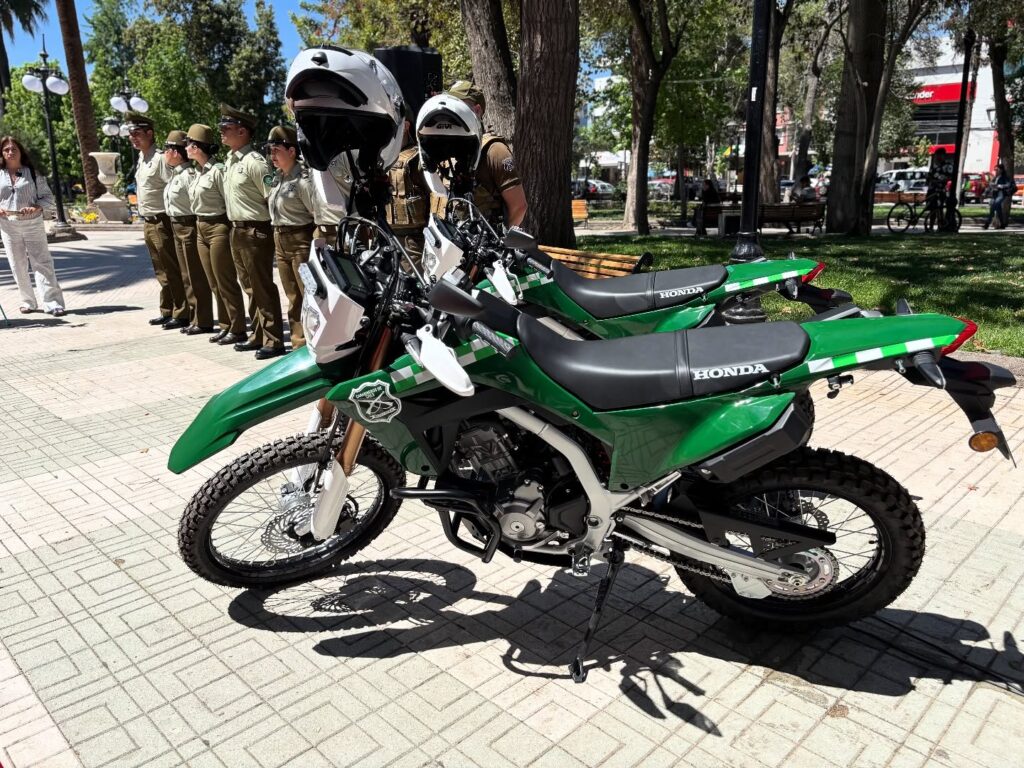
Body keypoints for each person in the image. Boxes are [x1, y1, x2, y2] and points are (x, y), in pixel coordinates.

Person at [218, 104, 286, 360]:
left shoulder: (254, 162)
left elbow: (272, 197)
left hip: (255, 231)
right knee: (249, 287)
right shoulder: (231, 161)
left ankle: (274, 339)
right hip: (237, 230)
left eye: (227, 128)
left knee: (261, 286)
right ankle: (257, 334)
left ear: (243, 132)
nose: (222, 133)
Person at [186, 124, 248, 346]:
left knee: (225, 280)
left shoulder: (218, 170)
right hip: (201, 226)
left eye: (188, 144)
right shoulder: (200, 172)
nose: (185, 148)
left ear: (197, 147)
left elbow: (228, 201)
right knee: (213, 281)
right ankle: (226, 325)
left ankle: (238, 327)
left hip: (218, 226)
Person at [126, 111, 189, 328]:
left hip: (162, 219)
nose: (132, 137)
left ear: (149, 133)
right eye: (130, 134)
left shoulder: (161, 158)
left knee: (171, 267)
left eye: (136, 133)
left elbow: (173, 187)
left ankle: (181, 312)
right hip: (148, 220)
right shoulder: (143, 159)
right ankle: (168, 309)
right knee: (160, 269)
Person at [446, 81, 527, 228]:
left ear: (477, 110)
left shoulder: (494, 150)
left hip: (485, 245)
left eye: (459, 107)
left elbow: (519, 206)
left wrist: (501, 240)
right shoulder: (445, 151)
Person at [0, 136, 66, 316]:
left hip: (32, 223)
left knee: (42, 262)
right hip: (8, 226)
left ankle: (52, 302)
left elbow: (48, 198)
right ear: (2, 153)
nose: (10, 152)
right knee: (17, 264)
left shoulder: (34, 174)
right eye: (6, 149)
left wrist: (36, 207)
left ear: (21, 151)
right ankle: (27, 301)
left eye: (14, 149)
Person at [266, 125, 316, 349]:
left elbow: (316, 215)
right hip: (280, 239)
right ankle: (298, 343)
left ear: (292, 151)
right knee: (293, 296)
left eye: (276, 150)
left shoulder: (303, 181)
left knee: (308, 295)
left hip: (300, 241)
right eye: (270, 151)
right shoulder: (278, 179)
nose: (272, 155)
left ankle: (313, 341)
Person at [162, 130, 214, 335]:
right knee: (186, 275)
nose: (165, 152)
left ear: (176, 153)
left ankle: (203, 319)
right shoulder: (176, 174)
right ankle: (194, 317)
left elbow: (197, 201)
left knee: (195, 275)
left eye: (167, 149)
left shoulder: (188, 175)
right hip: (176, 225)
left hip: (189, 225)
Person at [386, 108, 429, 265]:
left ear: (405, 126)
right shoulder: (381, 157)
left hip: (413, 241)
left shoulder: (417, 158)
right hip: (386, 236)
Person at [983, 164, 1014, 230]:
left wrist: (1000, 186)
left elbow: (1008, 184)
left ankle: (987, 224)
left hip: (1001, 194)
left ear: (1001, 170)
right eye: (995, 169)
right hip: (995, 194)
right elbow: (990, 186)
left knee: (993, 208)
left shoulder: (1004, 177)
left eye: (997, 169)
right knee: (998, 209)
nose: (996, 171)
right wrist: (986, 193)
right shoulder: (995, 177)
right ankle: (1002, 224)